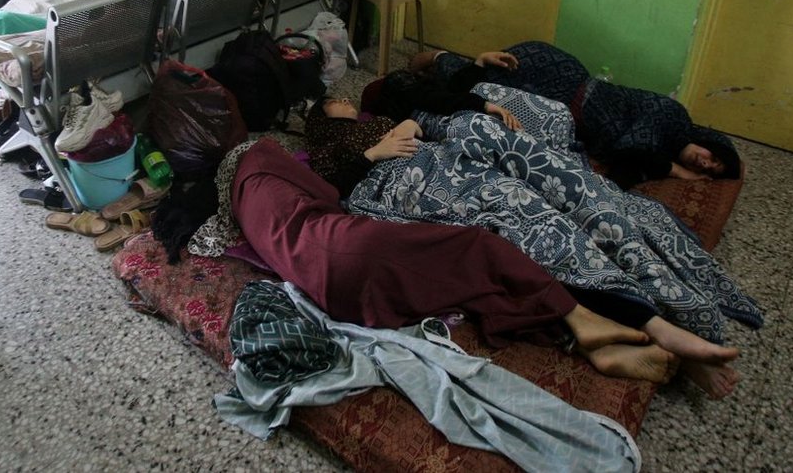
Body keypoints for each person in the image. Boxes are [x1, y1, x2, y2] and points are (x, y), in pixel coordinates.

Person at [303, 94, 762, 398]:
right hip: (403, 183)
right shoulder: (326, 144)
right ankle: (652, 323)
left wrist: (410, 124)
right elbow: (327, 189)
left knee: (558, 200)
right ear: (321, 117)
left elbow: (427, 115)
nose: (348, 101)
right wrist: (374, 154)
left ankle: (660, 314)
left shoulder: (380, 118)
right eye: (337, 102)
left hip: (445, 157)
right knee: (521, 218)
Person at [188, 137, 680, 385]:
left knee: (464, 284)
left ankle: (576, 341)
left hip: (328, 285)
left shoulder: (242, 204)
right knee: (478, 246)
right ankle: (581, 315)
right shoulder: (262, 159)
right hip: (349, 250)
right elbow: (330, 193)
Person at [410, 42, 742, 188]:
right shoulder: (674, 117)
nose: (704, 163)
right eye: (712, 157)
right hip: (558, 80)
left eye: (709, 170)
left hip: (559, 106)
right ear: (708, 141)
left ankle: (451, 66)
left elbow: (623, 170)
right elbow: (630, 149)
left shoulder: (662, 150)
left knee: (475, 93)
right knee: (470, 86)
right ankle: (434, 58)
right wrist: (677, 171)